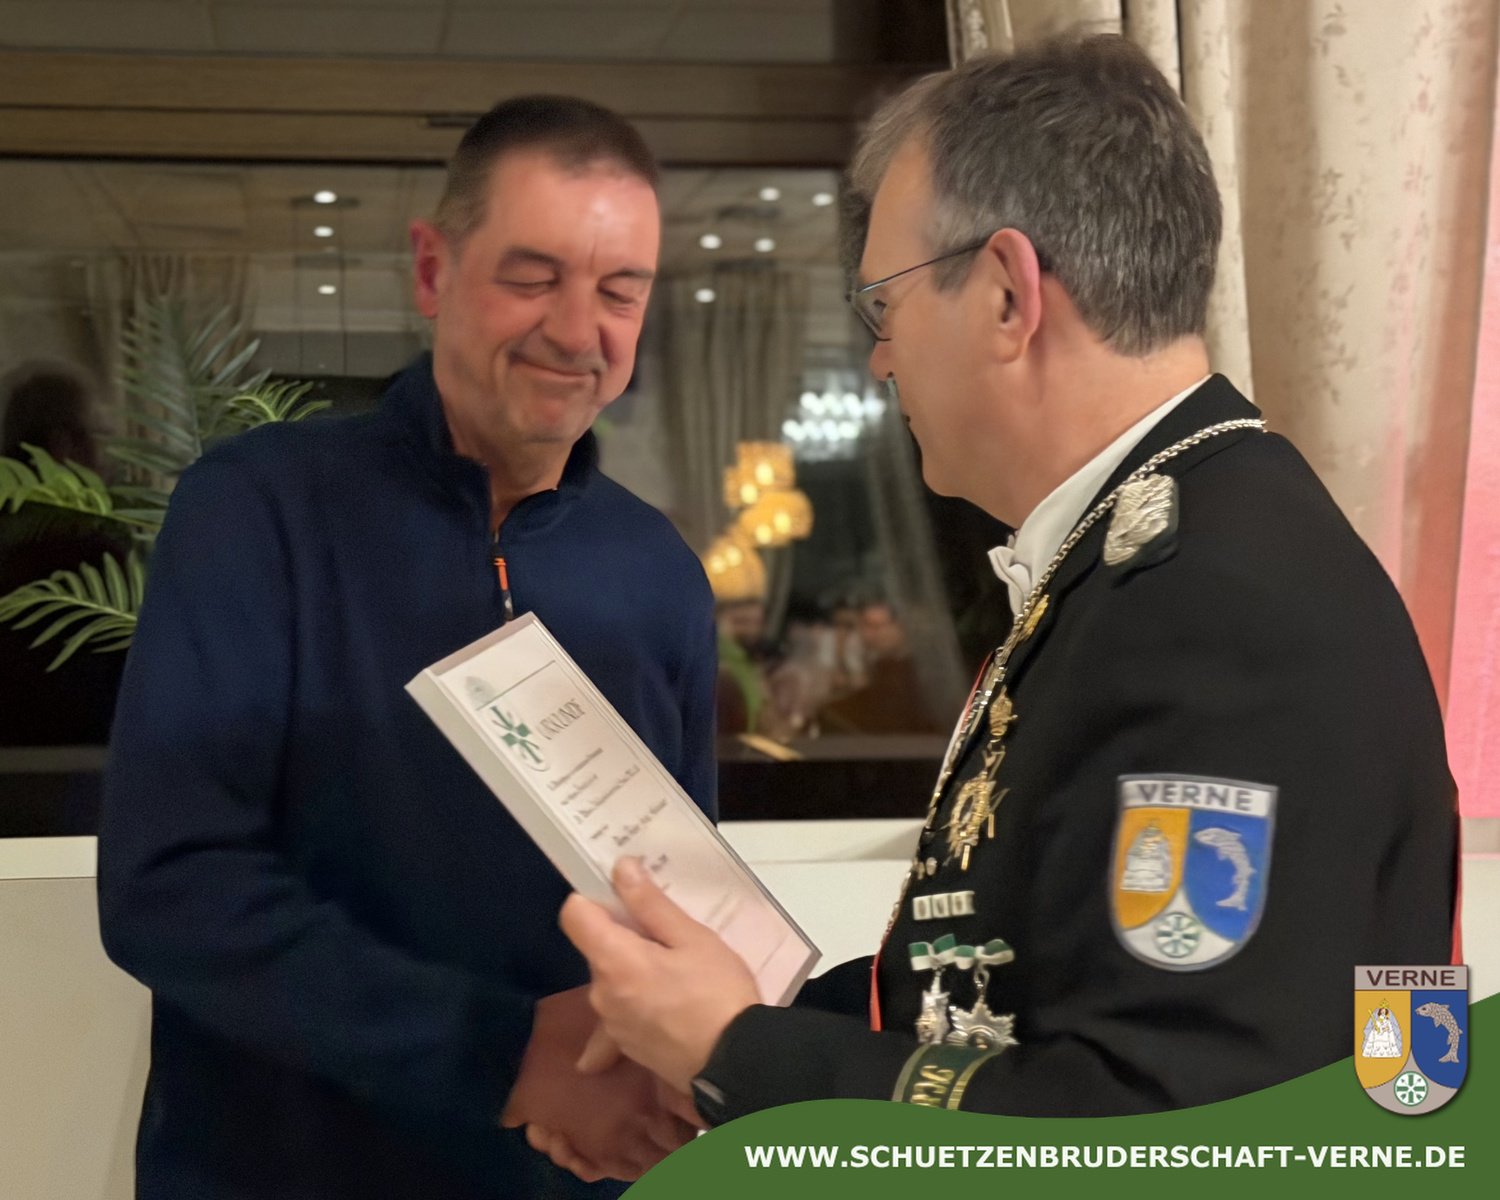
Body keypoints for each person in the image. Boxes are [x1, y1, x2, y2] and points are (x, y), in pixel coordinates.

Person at [554, 36, 1456, 1131]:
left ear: (1005, 295)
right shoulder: (1149, 553)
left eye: (885, 306)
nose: (880, 359)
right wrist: (730, 1028)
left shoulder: (1214, 606)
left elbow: (1167, 1129)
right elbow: (992, 979)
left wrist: (738, 1056)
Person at [98, 96, 716, 1198]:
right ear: (434, 271)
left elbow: (680, 905)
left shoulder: (657, 572)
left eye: (621, 290)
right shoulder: (257, 511)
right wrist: (506, 1057)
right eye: (533, 277)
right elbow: (171, 888)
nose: (578, 331)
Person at [818, 599, 942, 734]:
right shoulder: (877, 663)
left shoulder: (911, 672)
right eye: (864, 626)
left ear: (899, 628)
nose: (867, 634)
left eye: (876, 627)